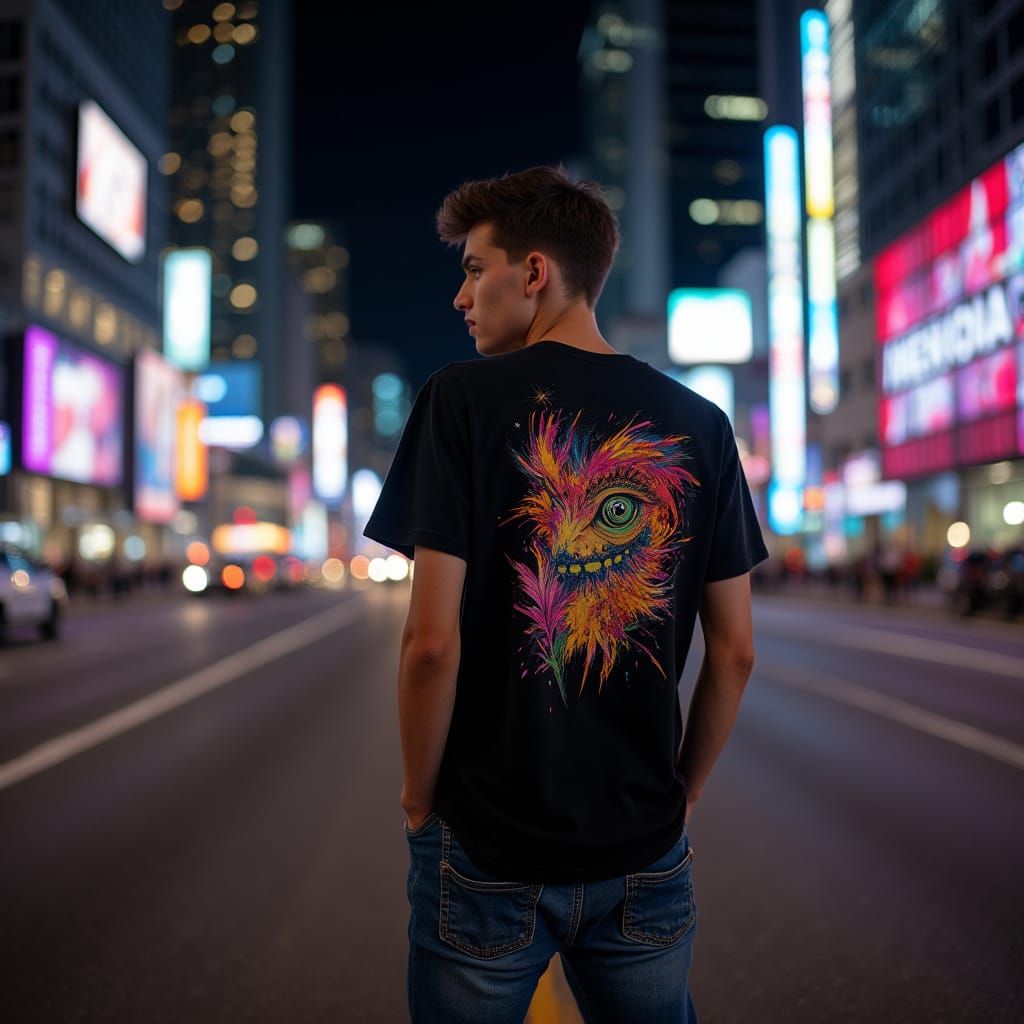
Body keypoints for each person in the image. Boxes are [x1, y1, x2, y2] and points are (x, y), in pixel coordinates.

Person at [363, 165, 769, 1024]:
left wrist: (418, 800)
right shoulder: (702, 422)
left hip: (487, 846)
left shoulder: (460, 400)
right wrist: (681, 795)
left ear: (535, 272)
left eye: (476, 269)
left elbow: (430, 643)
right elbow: (735, 651)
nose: (460, 297)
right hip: (643, 848)